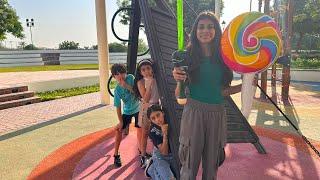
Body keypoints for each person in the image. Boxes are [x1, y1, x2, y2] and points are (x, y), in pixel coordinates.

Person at [172, 11, 242, 179]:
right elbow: (179, 97)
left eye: (210, 27)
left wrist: (245, 86)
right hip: (193, 113)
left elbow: (222, 91)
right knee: (189, 166)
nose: (205, 31)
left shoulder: (224, 58)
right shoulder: (186, 57)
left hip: (217, 114)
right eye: (201, 27)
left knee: (211, 167)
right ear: (195, 31)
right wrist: (178, 79)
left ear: (217, 31)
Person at [111, 63, 142, 167]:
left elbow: (137, 93)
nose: (120, 76)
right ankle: (116, 154)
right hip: (127, 112)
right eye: (117, 74)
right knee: (119, 130)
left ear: (126, 72)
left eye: (122, 72)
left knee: (140, 129)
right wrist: (120, 121)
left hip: (138, 109)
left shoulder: (130, 78)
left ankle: (141, 149)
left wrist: (127, 86)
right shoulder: (117, 90)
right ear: (114, 76)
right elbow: (118, 107)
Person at [133, 59, 160, 168]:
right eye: (143, 70)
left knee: (157, 132)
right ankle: (143, 156)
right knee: (145, 133)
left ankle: (158, 154)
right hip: (146, 109)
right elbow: (146, 98)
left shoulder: (158, 79)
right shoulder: (141, 82)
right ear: (140, 72)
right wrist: (150, 84)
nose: (146, 71)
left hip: (157, 108)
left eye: (148, 68)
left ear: (152, 68)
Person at [144, 104, 176, 180]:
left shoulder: (172, 120)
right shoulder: (152, 131)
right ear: (151, 121)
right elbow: (164, 152)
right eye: (153, 118)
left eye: (158, 115)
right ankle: (152, 165)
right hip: (160, 156)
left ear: (163, 113)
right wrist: (165, 134)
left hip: (174, 154)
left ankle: (151, 169)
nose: (157, 120)